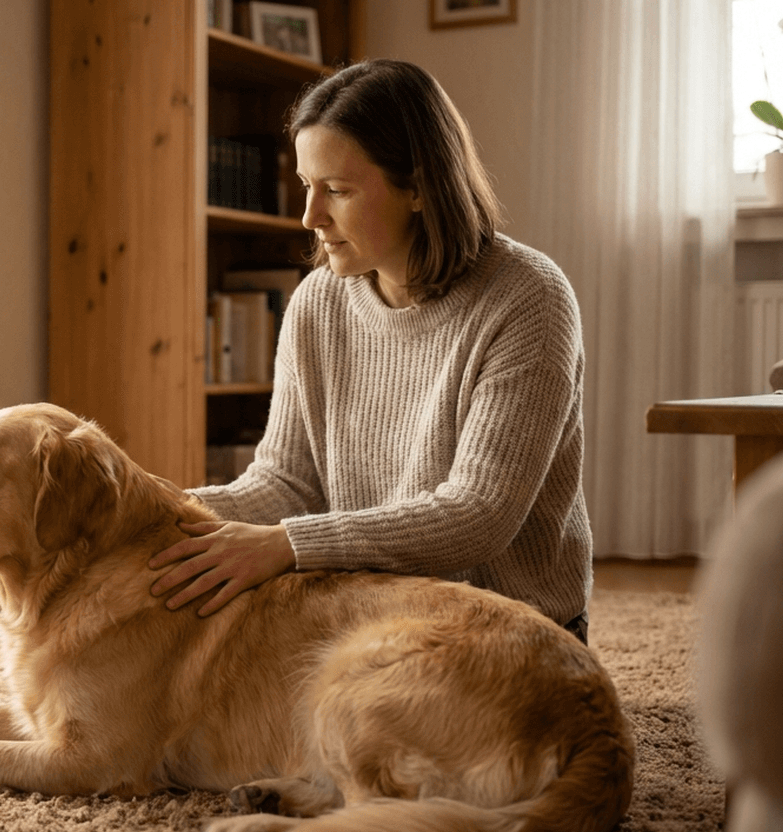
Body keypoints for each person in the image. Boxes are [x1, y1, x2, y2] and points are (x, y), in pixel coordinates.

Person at [148, 59, 593, 643]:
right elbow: (287, 483)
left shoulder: (529, 297)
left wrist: (285, 545)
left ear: (419, 188)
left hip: (509, 628)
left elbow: (478, 514)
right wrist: (157, 513)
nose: (310, 217)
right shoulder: (317, 303)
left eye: (336, 190)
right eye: (306, 186)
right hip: (368, 616)